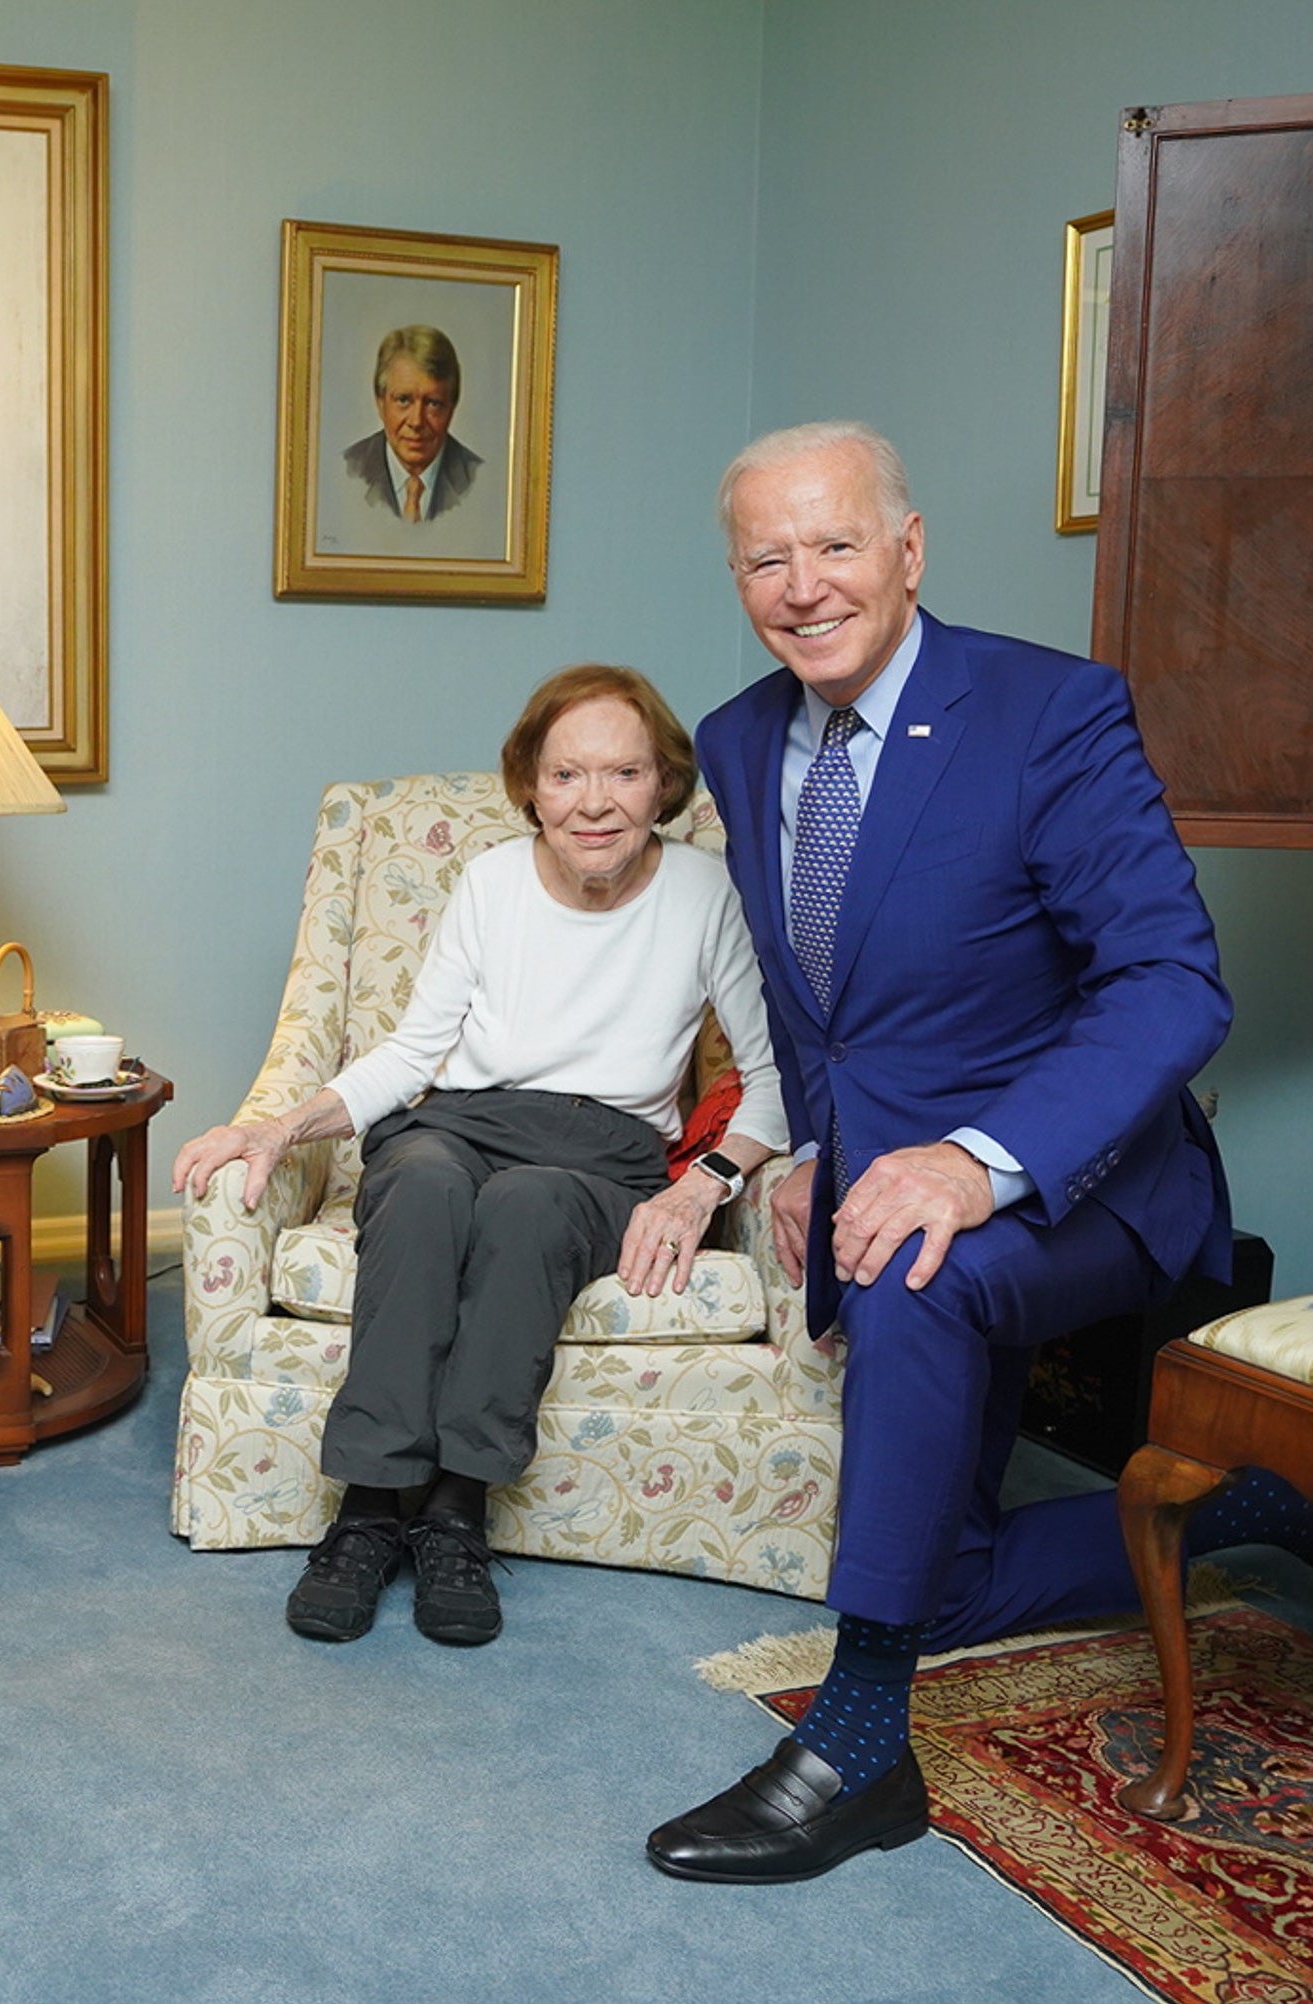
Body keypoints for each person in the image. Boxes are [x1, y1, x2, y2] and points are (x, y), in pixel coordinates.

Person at [649, 421, 1308, 1886]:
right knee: (936, 1585)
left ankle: (856, 1748)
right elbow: (821, 998)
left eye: (832, 545)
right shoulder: (740, 738)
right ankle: (1256, 1509)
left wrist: (973, 1159)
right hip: (881, 1177)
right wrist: (809, 1145)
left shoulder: (1046, 711)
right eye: (765, 557)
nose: (800, 585)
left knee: (913, 1287)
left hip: (1085, 1179)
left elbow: (1169, 984)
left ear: (906, 548)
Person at [173, 666, 788, 1649]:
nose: (594, 802)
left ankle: (457, 1512)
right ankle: (369, 1510)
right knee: (414, 1187)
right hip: (459, 1119)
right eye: (566, 775)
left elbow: (771, 1076)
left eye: (623, 773)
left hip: (601, 1150)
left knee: (528, 1210)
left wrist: (699, 1188)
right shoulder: (492, 880)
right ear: (530, 788)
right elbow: (414, 1052)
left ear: (661, 786)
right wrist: (278, 1128)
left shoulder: (704, 892)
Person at [340, 325, 482, 523]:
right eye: (404, 400)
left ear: (451, 407)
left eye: (433, 403)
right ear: (381, 403)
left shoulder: (481, 482)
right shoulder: (346, 471)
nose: (416, 421)